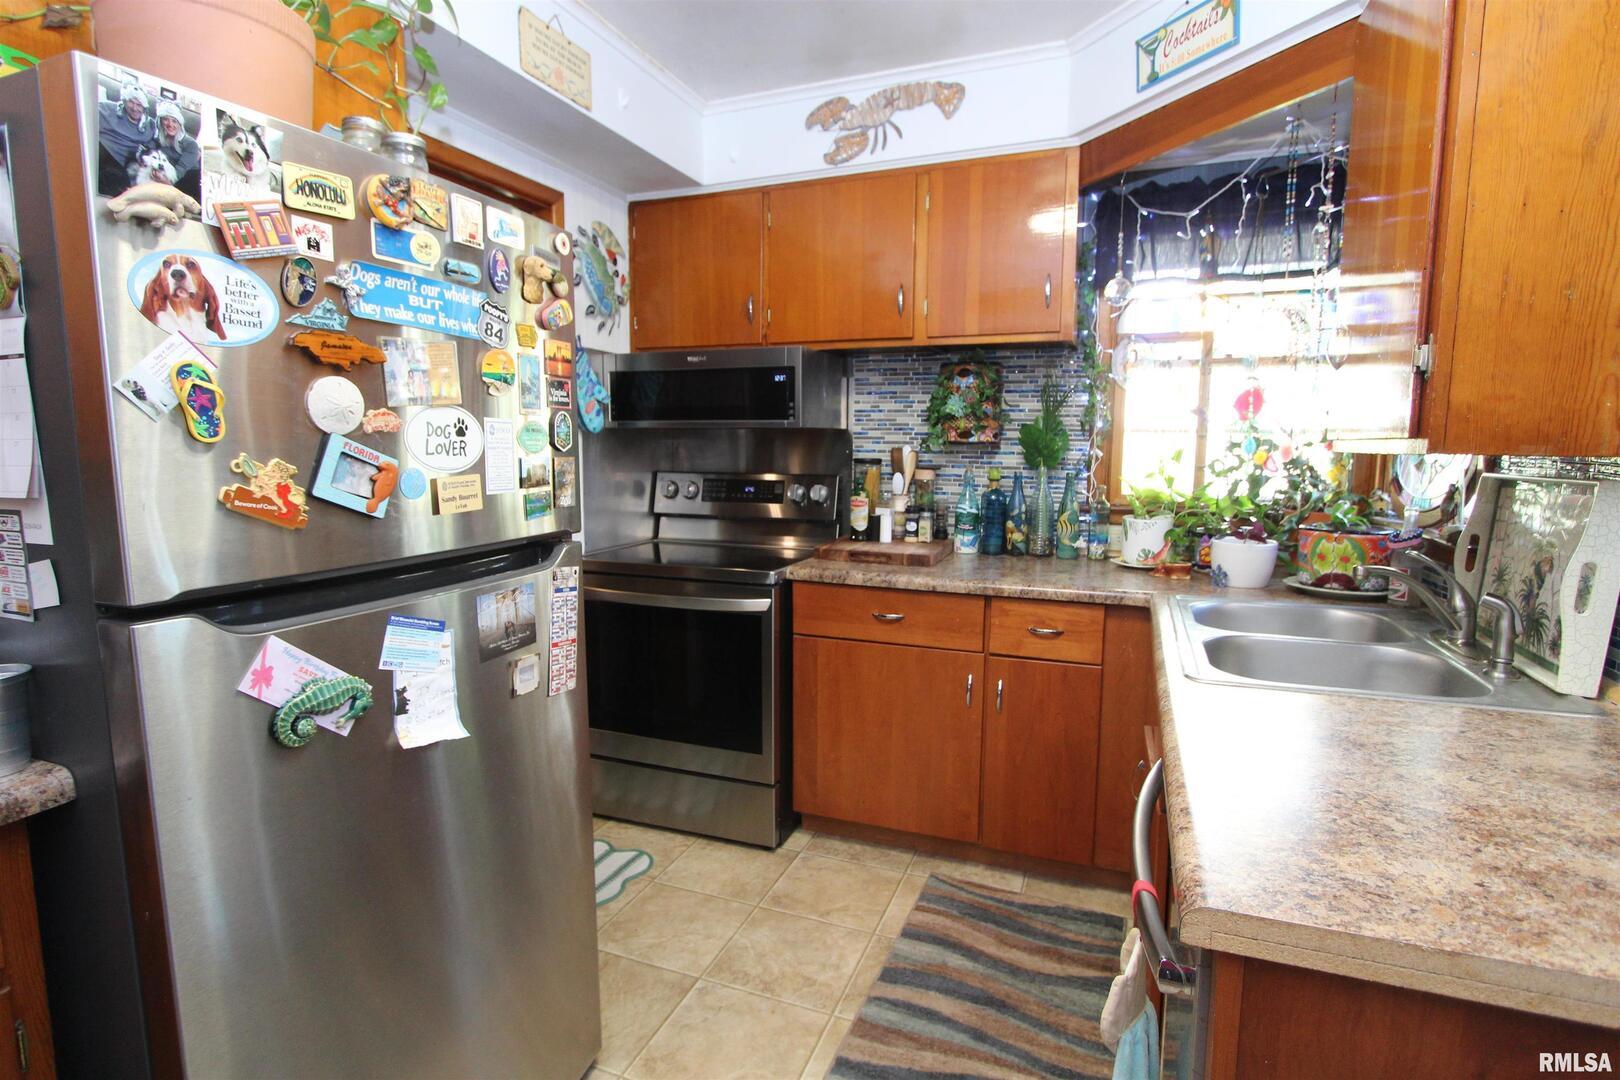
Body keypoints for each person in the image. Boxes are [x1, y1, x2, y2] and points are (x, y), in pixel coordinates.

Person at [96, 83, 154, 197]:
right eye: (131, 102)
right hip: (99, 148)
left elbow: (162, 141)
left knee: (119, 185)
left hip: (119, 161)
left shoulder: (150, 126)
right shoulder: (107, 108)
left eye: (139, 105)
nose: (134, 108)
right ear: (124, 101)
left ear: (145, 107)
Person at [154, 100, 202, 201]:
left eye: (174, 121)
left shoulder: (190, 144)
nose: (170, 124)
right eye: (166, 120)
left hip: (188, 181)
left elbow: (179, 172)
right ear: (160, 121)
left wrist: (162, 181)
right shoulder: (157, 140)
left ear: (180, 124)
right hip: (167, 177)